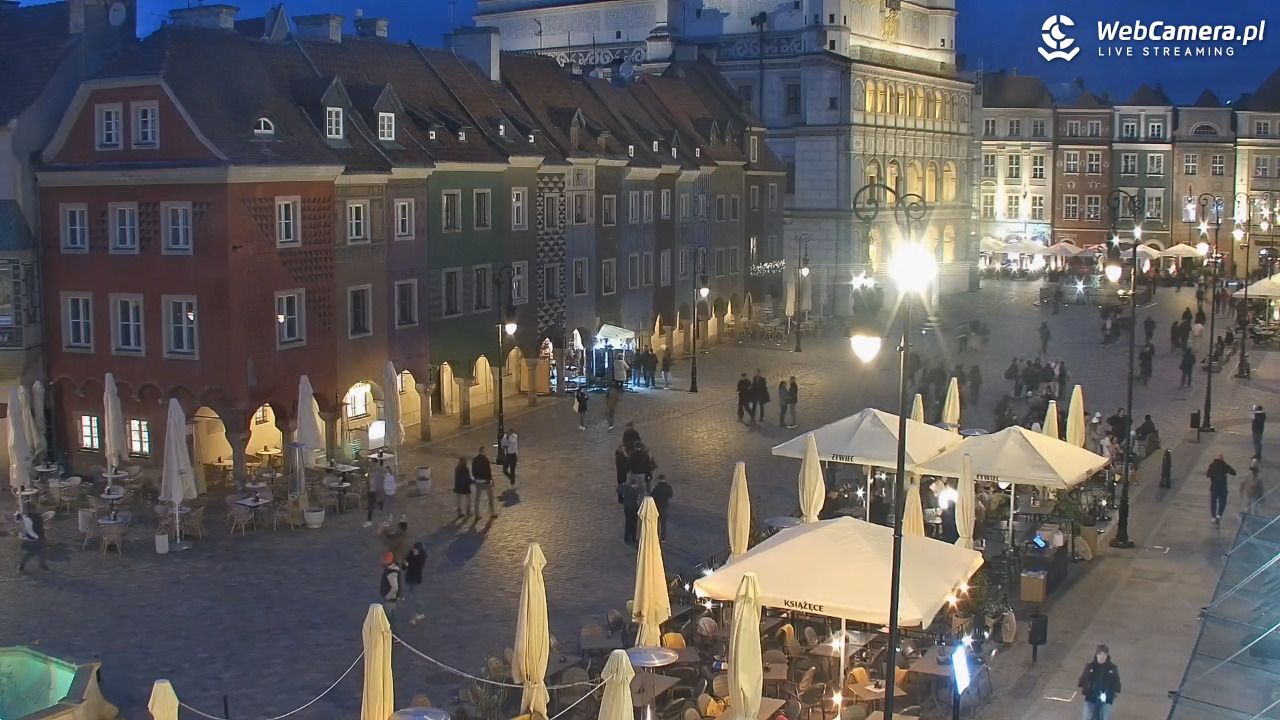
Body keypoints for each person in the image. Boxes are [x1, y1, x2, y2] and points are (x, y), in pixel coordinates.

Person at [1077, 644, 1121, 719]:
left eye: (1104, 654)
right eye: (1100, 654)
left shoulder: (1112, 668)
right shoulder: (1090, 667)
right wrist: (1086, 686)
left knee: (1105, 717)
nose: (1102, 656)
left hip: (1106, 699)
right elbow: (1082, 680)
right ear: (1096, 655)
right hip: (1090, 698)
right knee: (1086, 717)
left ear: (1107, 655)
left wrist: (1112, 691)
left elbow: (1116, 683)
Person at [1207, 453, 1237, 525]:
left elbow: (1208, 475)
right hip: (1223, 488)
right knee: (1223, 502)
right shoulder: (1224, 465)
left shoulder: (1212, 465)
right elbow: (1233, 472)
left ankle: (1213, 517)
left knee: (1213, 502)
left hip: (1214, 487)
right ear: (1222, 459)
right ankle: (1219, 515)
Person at [404, 542, 427, 626]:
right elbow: (404, 566)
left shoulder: (421, 557)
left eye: (415, 550)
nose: (413, 551)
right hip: (409, 579)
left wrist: (408, 565)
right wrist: (405, 564)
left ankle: (417, 614)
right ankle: (416, 614)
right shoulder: (410, 554)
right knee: (412, 598)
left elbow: (417, 568)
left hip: (416, 580)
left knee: (415, 598)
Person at [471, 446, 497, 519]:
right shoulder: (486, 460)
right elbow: (488, 472)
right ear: (483, 452)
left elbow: (473, 471)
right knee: (490, 498)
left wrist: (476, 478)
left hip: (478, 482)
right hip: (485, 482)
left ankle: (476, 515)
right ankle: (492, 513)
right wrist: (489, 480)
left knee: (477, 499)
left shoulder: (475, 459)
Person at [379, 552, 401, 633]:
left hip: (389, 600)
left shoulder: (391, 573)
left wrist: (387, 597)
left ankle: (393, 636)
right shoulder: (393, 570)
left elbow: (394, 587)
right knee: (392, 618)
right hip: (392, 600)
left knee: (388, 619)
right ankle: (394, 636)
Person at [619, 476, 643, 545]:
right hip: (634, 507)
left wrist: (624, 484)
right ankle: (633, 538)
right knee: (634, 523)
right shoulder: (636, 490)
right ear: (635, 483)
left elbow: (618, 489)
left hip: (627, 507)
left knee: (628, 522)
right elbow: (642, 489)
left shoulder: (626, 488)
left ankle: (626, 538)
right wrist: (640, 483)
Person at [650, 474, 673, 540]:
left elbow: (652, 495)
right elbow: (670, 495)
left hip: (657, 507)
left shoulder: (657, 487)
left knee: (656, 523)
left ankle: (656, 536)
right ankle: (663, 538)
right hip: (665, 506)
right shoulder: (668, 487)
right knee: (663, 524)